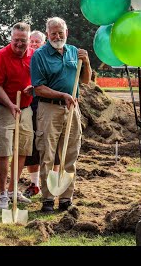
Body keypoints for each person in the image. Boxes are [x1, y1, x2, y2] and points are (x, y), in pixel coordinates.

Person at [31, 17, 92, 213]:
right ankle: (48, 198)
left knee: (70, 154)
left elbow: (85, 81)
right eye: (53, 33)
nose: (57, 36)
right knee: (48, 154)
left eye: (61, 32)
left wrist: (87, 62)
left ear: (67, 32)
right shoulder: (40, 55)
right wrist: (62, 95)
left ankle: (66, 198)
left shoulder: (75, 52)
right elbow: (38, 88)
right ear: (47, 34)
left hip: (72, 109)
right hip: (49, 109)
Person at [0, 22, 34, 210]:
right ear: (11, 38)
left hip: (25, 109)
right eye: (16, 40)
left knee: (22, 150)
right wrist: (10, 104)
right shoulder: (1, 56)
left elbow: (39, 78)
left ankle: (12, 189)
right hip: (5, 108)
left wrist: (34, 88)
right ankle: (2, 194)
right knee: (4, 152)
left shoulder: (34, 55)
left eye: (23, 41)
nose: (19, 44)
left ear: (29, 40)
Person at [23, 30, 61, 198]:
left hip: (49, 105)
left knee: (52, 145)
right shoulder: (25, 60)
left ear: (44, 42)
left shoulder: (48, 58)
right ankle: (35, 184)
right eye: (31, 41)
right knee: (32, 146)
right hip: (30, 106)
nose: (34, 44)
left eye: (37, 41)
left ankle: (53, 183)